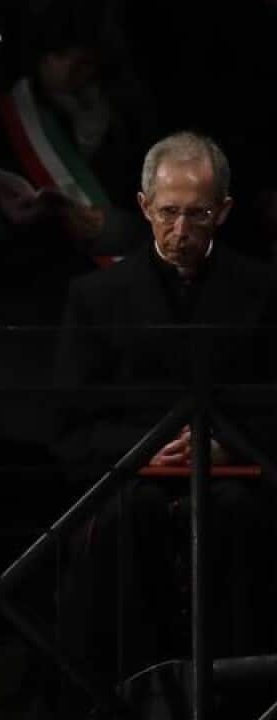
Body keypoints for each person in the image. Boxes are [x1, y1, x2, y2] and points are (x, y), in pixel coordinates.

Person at [54, 132, 277, 705]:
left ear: (223, 210)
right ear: (144, 206)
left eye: (197, 214)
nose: (181, 231)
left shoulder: (263, 291)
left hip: (237, 480)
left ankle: (241, 700)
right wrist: (147, 450)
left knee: (240, 521)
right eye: (168, 212)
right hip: (132, 479)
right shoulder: (96, 297)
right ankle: (126, 699)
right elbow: (71, 428)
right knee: (129, 524)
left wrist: (229, 447)